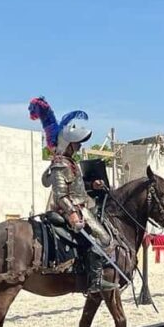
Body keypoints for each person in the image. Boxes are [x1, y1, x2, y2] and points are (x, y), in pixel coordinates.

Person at [29, 96, 117, 293]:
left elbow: (75, 187)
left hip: (80, 205)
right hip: (71, 209)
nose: (79, 146)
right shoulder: (60, 164)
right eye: (76, 143)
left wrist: (91, 184)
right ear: (67, 144)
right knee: (103, 239)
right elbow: (61, 195)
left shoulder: (69, 163)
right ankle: (95, 281)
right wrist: (72, 214)